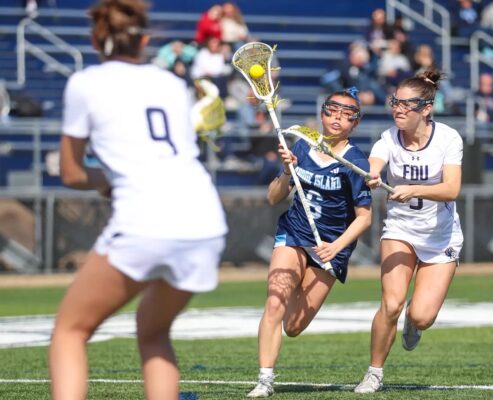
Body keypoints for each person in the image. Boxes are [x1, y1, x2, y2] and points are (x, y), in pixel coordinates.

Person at [48, 1, 228, 399]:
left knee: (69, 331)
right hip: (204, 218)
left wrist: (105, 182)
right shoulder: (169, 83)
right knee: (154, 332)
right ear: (145, 40)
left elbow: (72, 173)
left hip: (146, 217)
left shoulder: (85, 83)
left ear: (96, 40)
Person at [247, 88, 373, 398]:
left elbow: (364, 218)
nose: (337, 119)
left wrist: (337, 246)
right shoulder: (302, 147)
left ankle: (296, 296)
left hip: (329, 248)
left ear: (354, 123)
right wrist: (287, 172)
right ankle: (264, 380)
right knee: (274, 300)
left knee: (293, 325)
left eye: (347, 115)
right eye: (333, 111)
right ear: (323, 113)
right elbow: (274, 197)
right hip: (294, 231)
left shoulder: (356, 162)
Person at [354, 69, 463, 394]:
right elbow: (374, 164)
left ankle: (413, 324)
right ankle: (374, 372)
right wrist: (372, 176)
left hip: (440, 238)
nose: (398, 110)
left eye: (406, 105)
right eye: (395, 103)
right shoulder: (388, 138)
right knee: (391, 304)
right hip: (400, 231)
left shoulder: (447, 138)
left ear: (426, 108)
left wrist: (413, 189)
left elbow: (452, 189)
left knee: (423, 316)